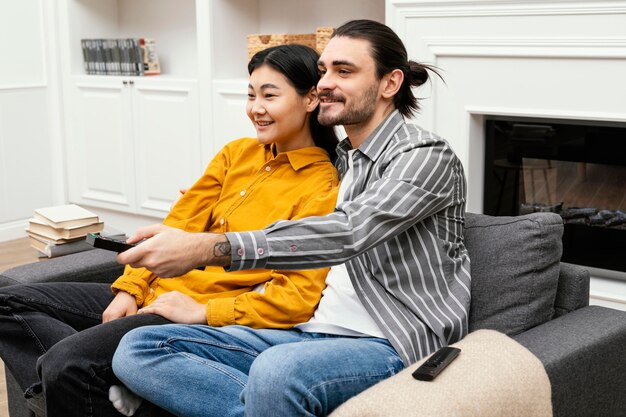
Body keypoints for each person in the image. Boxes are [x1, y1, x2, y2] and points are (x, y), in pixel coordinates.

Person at [113, 19, 471, 417]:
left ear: (390, 84)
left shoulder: (425, 156)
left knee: (277, 371)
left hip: (390, 342)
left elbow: (348, 232)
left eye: (344, 71)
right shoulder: (342, 163)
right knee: (139, 347)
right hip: (309, 331)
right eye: (323, 71)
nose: (324, 84)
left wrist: (207, 247)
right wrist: (213, 217)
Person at [0, 44, 339, 417]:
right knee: (7, 300)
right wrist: (129, 289)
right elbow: (178, 227)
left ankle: (75, 379)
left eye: (270, 95)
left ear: (310, 99)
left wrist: (205, 311)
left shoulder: (322, 187)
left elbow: (296, 298)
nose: (255, 107)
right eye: (250, 94)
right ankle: (86, 385)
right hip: (152, 291)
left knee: (67, 362)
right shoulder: (236, 154)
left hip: (176, 315)